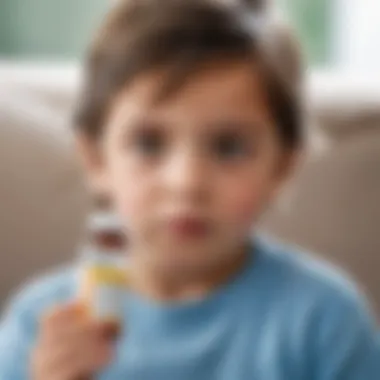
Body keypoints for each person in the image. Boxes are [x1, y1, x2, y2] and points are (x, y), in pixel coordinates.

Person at [0, 0, 378, 379]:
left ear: (282, 168)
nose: (188, 183)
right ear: (97, 161)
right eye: (149, 144)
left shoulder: (326, 321)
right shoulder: (40, 325)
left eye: (229, 147)